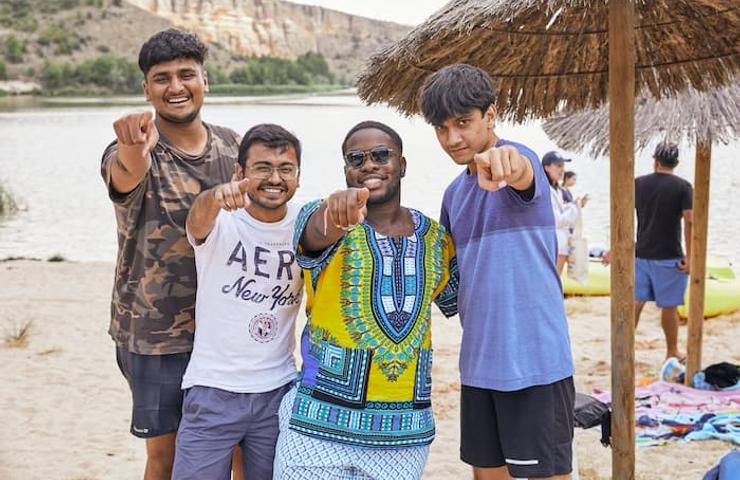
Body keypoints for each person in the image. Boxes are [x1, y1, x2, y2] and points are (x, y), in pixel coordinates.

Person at [273, 121, 459, 480]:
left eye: (381, 155)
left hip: (403, 436)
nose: (369, 165)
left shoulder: (436, 238)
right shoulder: (322, 219)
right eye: (356, 158)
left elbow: (465, 301)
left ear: (402, 165)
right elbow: (313, 237)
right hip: (316, 426)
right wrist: (334, 211)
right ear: (346, 171)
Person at [419, 64, 574, 480]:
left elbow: (519, 169)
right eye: (441, 127)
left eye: (464, 123)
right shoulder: (453, 194)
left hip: (535, 363)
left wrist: (508, 161)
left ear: (491, 115)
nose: (452, 138)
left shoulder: (521, 163)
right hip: (479, 365)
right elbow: (448, 279)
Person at [100, 29, 241, 479]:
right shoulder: (135, 147)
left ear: (205, 80)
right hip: (155, 333)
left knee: (238, 447)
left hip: (225, 331)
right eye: (162, 78)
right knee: (166, 456)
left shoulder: (233, 146)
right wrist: (130, 147)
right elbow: (126, 172)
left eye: (186, 74)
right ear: (146, 88)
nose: (176, 86)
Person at [171, 124, 304, 479]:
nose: (274, 178)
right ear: (239, 173)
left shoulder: (305, 227)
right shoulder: (221, 222)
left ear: (297, 177)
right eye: (262, 168)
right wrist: (214, 196)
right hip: (213, 389)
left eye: (285, 169)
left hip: (278, 390)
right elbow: (196, 219)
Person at [605, 142, 692, 360]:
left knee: (635, 302)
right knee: (669, 307)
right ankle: (671, 351)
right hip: (669, 256)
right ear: (676, 163)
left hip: (640, 254)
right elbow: (690, 221)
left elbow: (621, 217)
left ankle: (624, 348)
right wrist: (691, 256)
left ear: (655, 161)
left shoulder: (638, 184)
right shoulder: (683, 186)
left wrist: (616, 248)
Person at [543, 151, 588, 274]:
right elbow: (556, 220)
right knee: (552, 283)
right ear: (546, 167)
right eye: (558, 166)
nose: (562, 170)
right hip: (553, 244)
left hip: (561, 244)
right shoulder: (546, 190)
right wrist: (575, 207)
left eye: (563, 166)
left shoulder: (557, 190)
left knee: (555, 282)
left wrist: (574, 206)